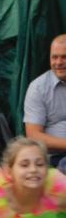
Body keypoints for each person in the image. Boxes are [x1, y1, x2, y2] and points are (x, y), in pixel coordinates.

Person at [24, 35, 66, 168]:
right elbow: (34, 136)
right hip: (54, 159)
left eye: (64, 57)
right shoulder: (38, 87)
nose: (58, 62)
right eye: (54, 57)